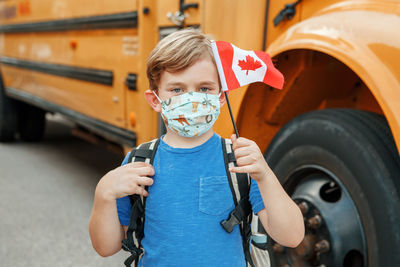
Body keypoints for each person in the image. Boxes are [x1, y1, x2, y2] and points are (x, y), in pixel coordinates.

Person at [89, 29, 304, 266]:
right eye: (177, 89)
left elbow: (292, 237)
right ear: (155, 100)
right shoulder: (140, 162)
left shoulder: (239, 162)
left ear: (221, 97)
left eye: (204, 89)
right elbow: (106, 247)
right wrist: (104, 193)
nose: (192, 99)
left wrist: (264, 175)